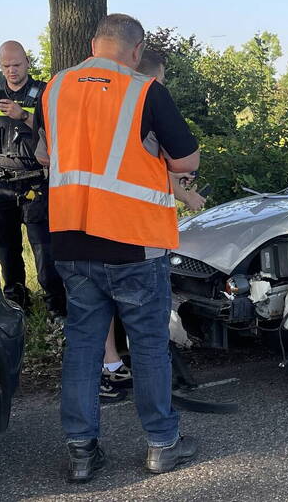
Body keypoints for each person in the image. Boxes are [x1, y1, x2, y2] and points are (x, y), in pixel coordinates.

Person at [36, 14, 200, 483]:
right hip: (134, 240)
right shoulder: (144, 90)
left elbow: (45, 155)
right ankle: (162, 445)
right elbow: (185, 159)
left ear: (93, 44)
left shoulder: (56, 88)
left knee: (83, 346)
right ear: (136, 49)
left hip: (70, 237)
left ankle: (82, 453)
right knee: (148, 346)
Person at [98, 47, 207, 404]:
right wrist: (191, 199)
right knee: (147, 326)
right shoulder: (144, 103)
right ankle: (160, 419)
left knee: (100, 309)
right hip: (139, 233)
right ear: (148, 75)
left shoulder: (103, 106)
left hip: (90, 227)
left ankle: (110, 366)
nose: (162, 86)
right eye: (160, 80)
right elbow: (172, 165)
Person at [0, 40, 65, 315]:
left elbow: (58, 132)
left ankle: (56, 305)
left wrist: (24, 116)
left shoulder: (44, 93)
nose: (11, 70)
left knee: (44, 249)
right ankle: (18, 301)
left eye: (16, 64)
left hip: (35, 181)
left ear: (27, 62)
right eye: (6, 65)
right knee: (6, 248)